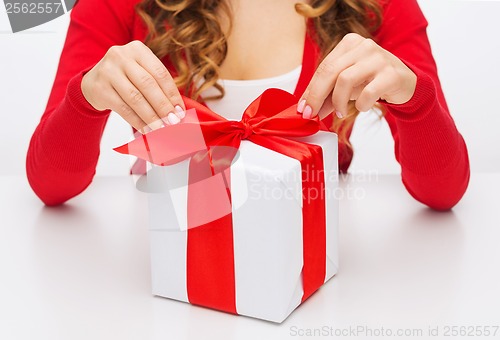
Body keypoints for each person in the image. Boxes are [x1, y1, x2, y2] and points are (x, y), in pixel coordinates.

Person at [26, 0, 470, 210]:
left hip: (318, 236)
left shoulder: (381, 4)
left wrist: (416, 99)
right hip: (164, 237)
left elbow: (444, 191)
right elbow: (51, 186)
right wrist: (85, 98)